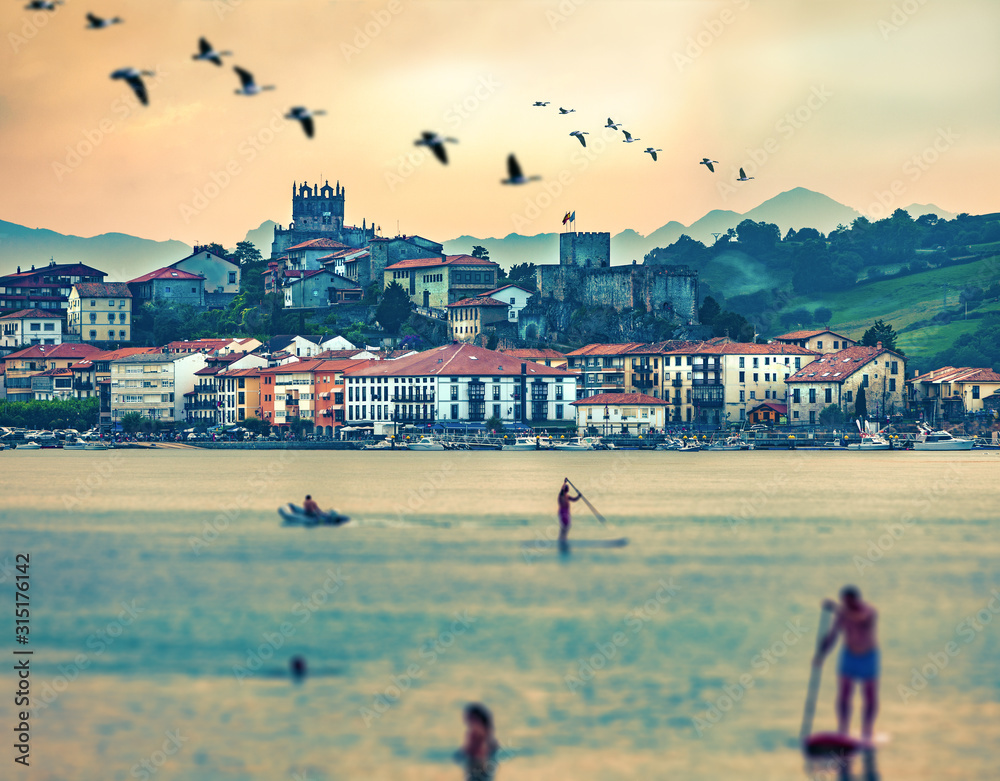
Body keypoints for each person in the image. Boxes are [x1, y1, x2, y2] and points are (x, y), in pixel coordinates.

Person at [814, 585, 879, 746]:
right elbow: (833, 635)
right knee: (844, 694)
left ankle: (867, 730)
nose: (846, 605)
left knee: (869, 695)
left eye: (848, 602)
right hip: (849, 655)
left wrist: (837, 609)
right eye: (844, 602)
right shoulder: (842, 614)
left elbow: (861, 620)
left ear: (856, 600)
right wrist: (820, 655)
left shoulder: (869, 611)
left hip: (868, 656)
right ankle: (843, 729)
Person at [455, 703, 499, 781]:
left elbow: (470, 749)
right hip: (485, 764)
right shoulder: (487, 731)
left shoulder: (475, 732)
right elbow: (494, 748)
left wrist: (460, 754)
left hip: (476, 764)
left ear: (474, 717)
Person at [558, 479, 581, 548]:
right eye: (567, 488)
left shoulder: (567, 496)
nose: (568, 489)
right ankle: (562, 539)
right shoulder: (561, 494)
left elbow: (574, 499)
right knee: (566, 525)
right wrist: (564, 482)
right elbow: (562, 489)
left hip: (566, 512)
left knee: (567, 525)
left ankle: (563, 538)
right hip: (563, 511)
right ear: (566, 489)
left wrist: (578, 496)